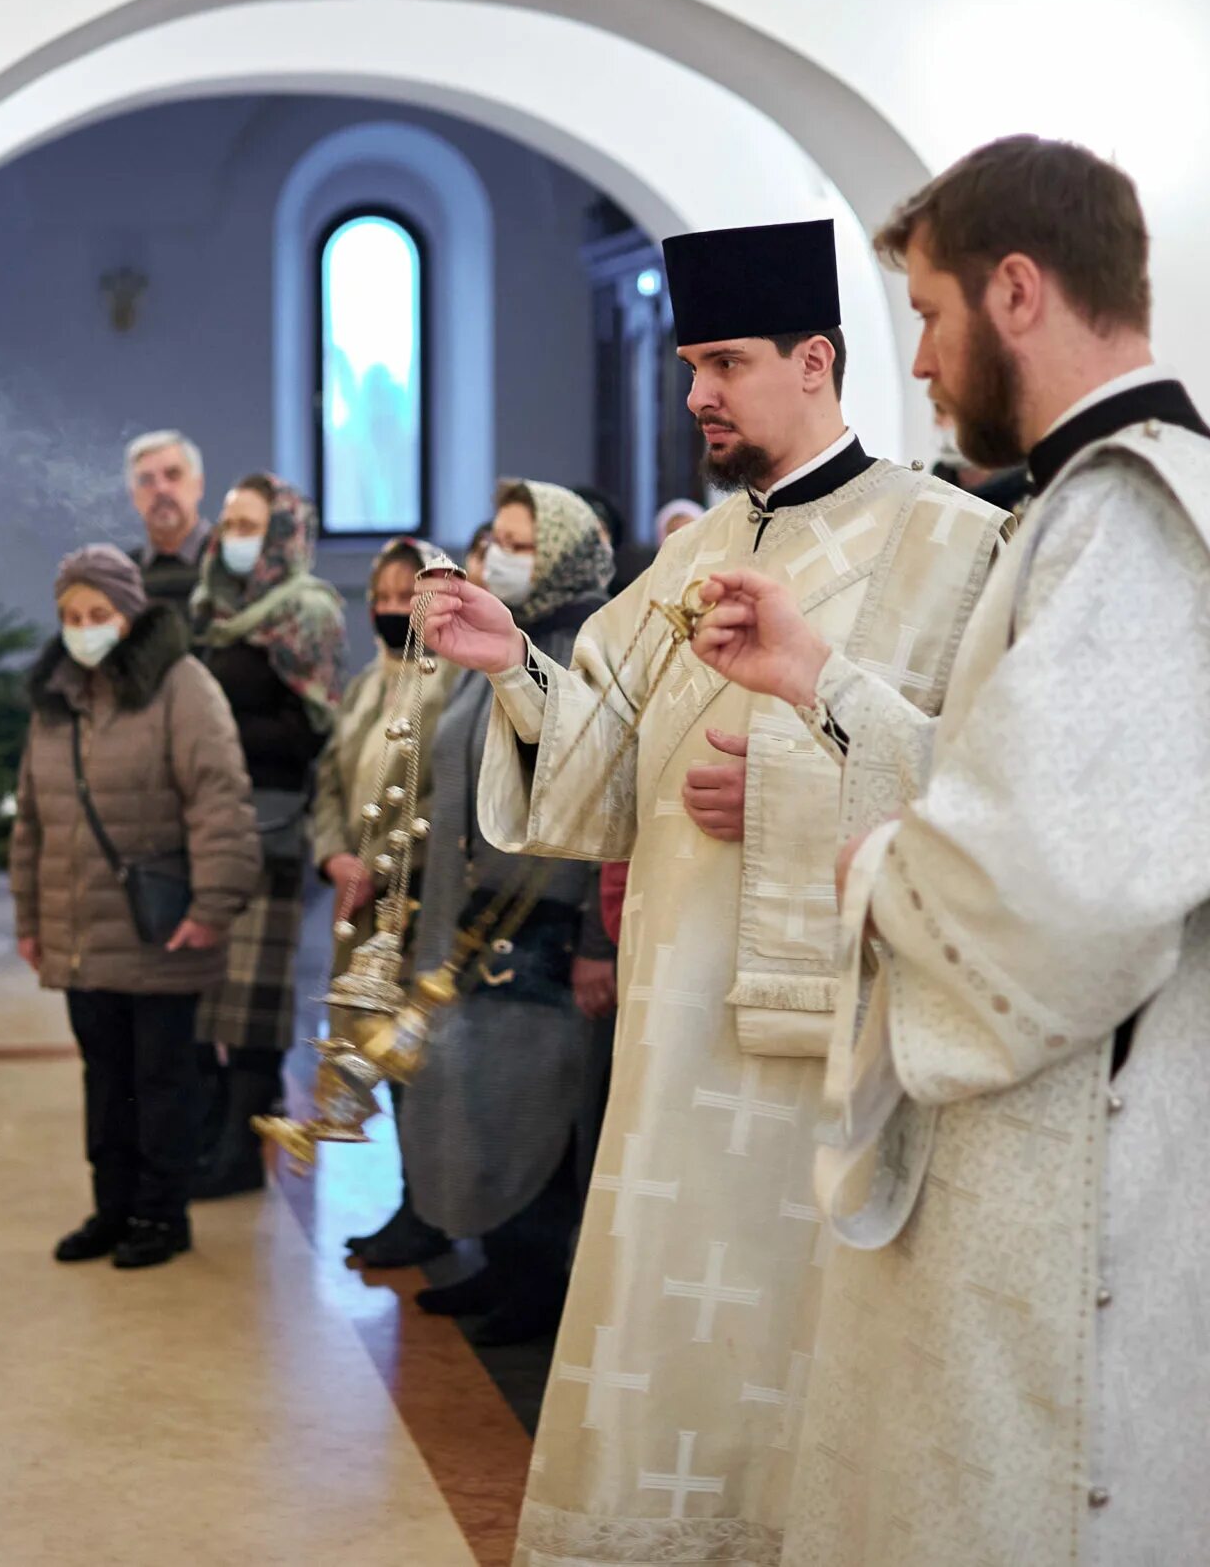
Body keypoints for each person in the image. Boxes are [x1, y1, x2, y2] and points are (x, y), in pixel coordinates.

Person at [682, 136, 1210, 1565]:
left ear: (1017, 291)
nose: (921, 363)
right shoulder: (1138, 498)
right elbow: (1041, 788)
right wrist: (823, 678)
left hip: (1095, 1158)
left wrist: (875, 873)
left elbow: (1059, 886)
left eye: (930, 316)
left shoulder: (1128, 517)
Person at [421, 217, 1006, 1567]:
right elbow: (596, 773)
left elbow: (992, 791)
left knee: (807, 1332)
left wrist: (803, 787)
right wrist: (513, 663)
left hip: (837, 1048)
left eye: (725, 363)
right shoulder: (691, 559)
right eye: (689, 366)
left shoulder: (954, 544)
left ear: (815, 361)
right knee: (671, 1316)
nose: (696, 393)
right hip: (674, 1033)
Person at [404, 480, 613, 1346]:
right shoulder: (495, 643)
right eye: (495, 539)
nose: (501, 556)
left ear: (563, 550)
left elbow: (610, 803)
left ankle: (539, 1283)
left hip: (548, 922)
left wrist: (598, 940)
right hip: (477, 913)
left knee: (540, 1100)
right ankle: (499, 1262)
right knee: (481, 1094)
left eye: (523, 542)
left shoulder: (591, 647)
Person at [11, 546, 260, 1271]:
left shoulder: (182, 686)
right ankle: (112, 1208)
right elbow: (32, 818)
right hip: (81, 932)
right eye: (72, 615)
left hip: (162, 926)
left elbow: (219, 800)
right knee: (105, 1078)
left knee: (162, 1081)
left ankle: (160, 1214)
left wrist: (213, 904)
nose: (84, 628)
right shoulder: (56, 699)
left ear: (131, 615)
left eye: (99, 613)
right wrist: (29, 919)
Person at [189, 472, 347, 1199]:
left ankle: (241, 1148)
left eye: (250, 525)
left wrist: (216, 727)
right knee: (205, 989)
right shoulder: (212, 607)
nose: (234, 538)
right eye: (229, 523)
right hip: (206, 819)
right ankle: (210, 1132)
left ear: (283, 532)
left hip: (272, 821)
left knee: (252, 995)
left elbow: (309, 731)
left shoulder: (308, 613)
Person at [313, 537, 461, 1269]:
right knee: (375, 1048)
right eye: (383, 595)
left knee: (417, 1058)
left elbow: (444, 795)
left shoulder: (455, 684)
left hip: (417, 903)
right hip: (361, 903)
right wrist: (335, 857)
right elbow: (329, 783)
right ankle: (411, 1200)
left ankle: (432, 1209)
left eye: (411, 595)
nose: (393, 608)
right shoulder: (367, 683)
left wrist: (376, 865)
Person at [127, 430, 212, 610]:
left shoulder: (232, 563)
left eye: (173, 475)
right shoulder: (122, 577)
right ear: (133, 496)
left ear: (199, 485)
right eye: (146, 480)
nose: (161, 489)